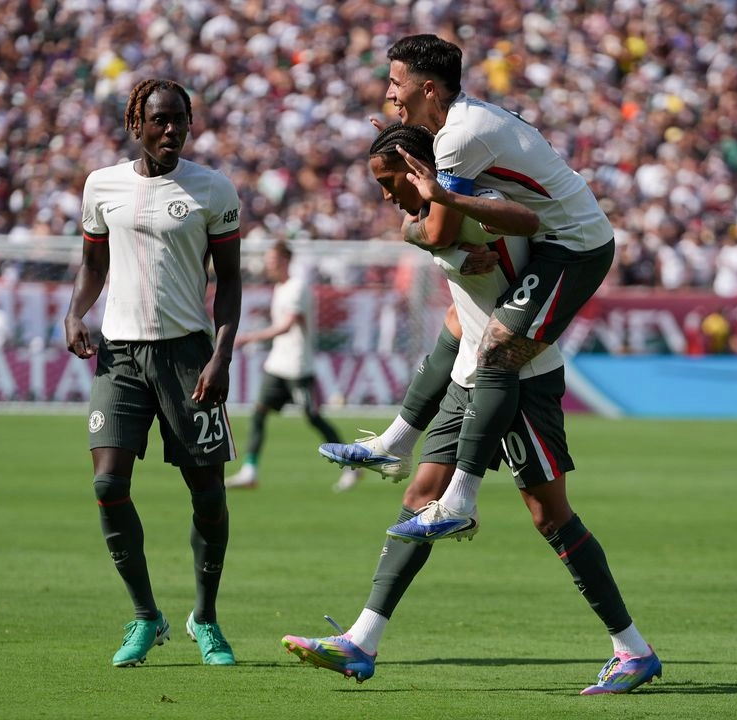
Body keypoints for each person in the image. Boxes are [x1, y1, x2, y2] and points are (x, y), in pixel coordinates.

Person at [285, 123, 660, 696]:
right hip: (473, 376)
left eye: (391, 183)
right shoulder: (438, 221)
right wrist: (430, 238)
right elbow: (457, 314)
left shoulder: (474, 206)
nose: (387, 197)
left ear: (419, 170)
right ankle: (362, 640)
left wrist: (441, 228)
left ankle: (632, 649)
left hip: (521, 377)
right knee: (418, 499)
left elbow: (522, 223)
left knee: (550, 515)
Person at [326, 35, 617, 546]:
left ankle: (458, 499)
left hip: (575, 245)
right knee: (463, 323)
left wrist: (410, 226)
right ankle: (397, 442)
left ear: (429, 88)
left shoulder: (459, 138)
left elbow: (434, 230)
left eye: (397, 83)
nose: (390, 93)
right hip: (548, 239)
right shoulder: (454, 125)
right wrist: (402, 150)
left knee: (498, 349)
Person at [63, 78, 242, 669]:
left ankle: (206, 618)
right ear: (135, 125)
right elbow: (93, 263)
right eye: (160, 121)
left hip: (190, 356)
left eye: (181, 120)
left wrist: (221, 355)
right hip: (120, 356)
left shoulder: (212, 189)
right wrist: (75, 313)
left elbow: (231, 283)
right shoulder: (101, 186)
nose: (172, 130)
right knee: (108, 485)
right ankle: (146, 616)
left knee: (209, 496)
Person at [226, 241, 361, 492]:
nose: (269, 265)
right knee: (259, 412)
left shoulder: (298, 287)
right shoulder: (282, 287)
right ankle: (250, 470)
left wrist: (248, 337)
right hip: (278, 362)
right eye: (268, 261)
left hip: (297, 365)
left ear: (286, 260)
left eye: (273, 260)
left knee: (313, 418)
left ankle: (352, 465)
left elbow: (287, 326)